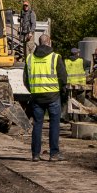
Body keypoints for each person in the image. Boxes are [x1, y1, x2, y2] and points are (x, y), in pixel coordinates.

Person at [24, 33, 67, 162]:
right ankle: (53, 154)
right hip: (53, 96)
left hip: (36, 97)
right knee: (54, 125)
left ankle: (35, 154)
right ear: (50, 42)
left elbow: (25, 80)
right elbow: (63, 78)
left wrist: (33, 91)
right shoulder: (55, 57)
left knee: (37, 125)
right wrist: (61, 91)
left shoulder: (30, 58)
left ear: (39, 42)